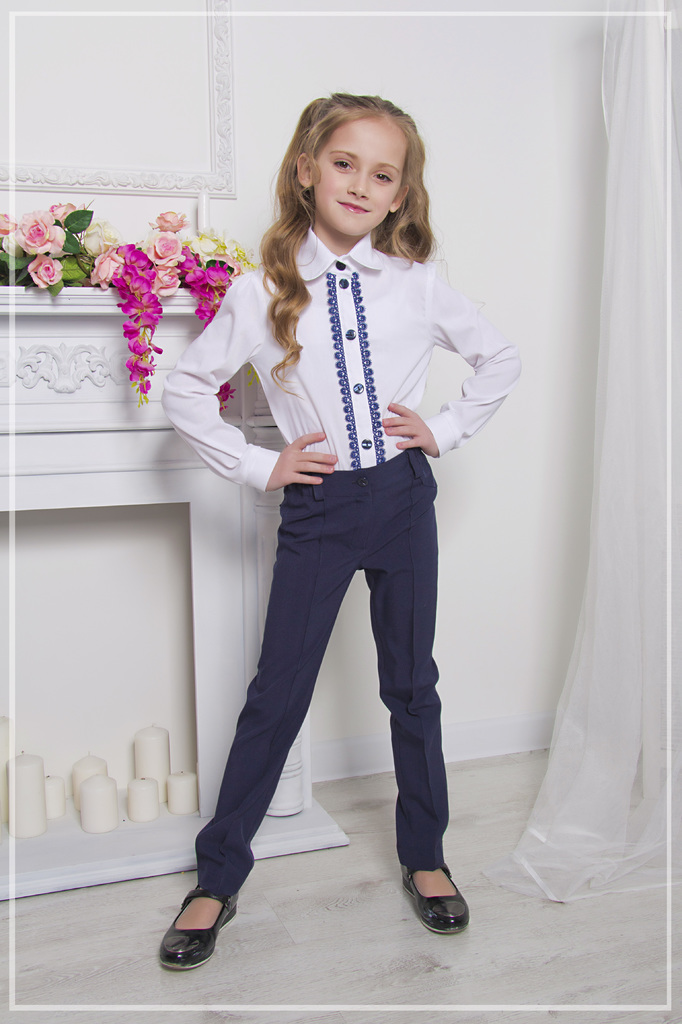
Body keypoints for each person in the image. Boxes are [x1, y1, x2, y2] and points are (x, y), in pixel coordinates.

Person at [159, 92, 521, 970]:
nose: (362, 184)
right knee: (277, 694)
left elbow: (500, 357)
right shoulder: (262, 290)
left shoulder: (417, 284)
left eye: (383, 174)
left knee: (412, 686)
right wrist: (259, 466)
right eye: (345, 163)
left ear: (401, 195)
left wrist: (445, 428)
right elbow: (185, 387)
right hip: (319, 510)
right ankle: (217, 875)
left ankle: (426, 856)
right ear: (306, 170)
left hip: (402, 500)